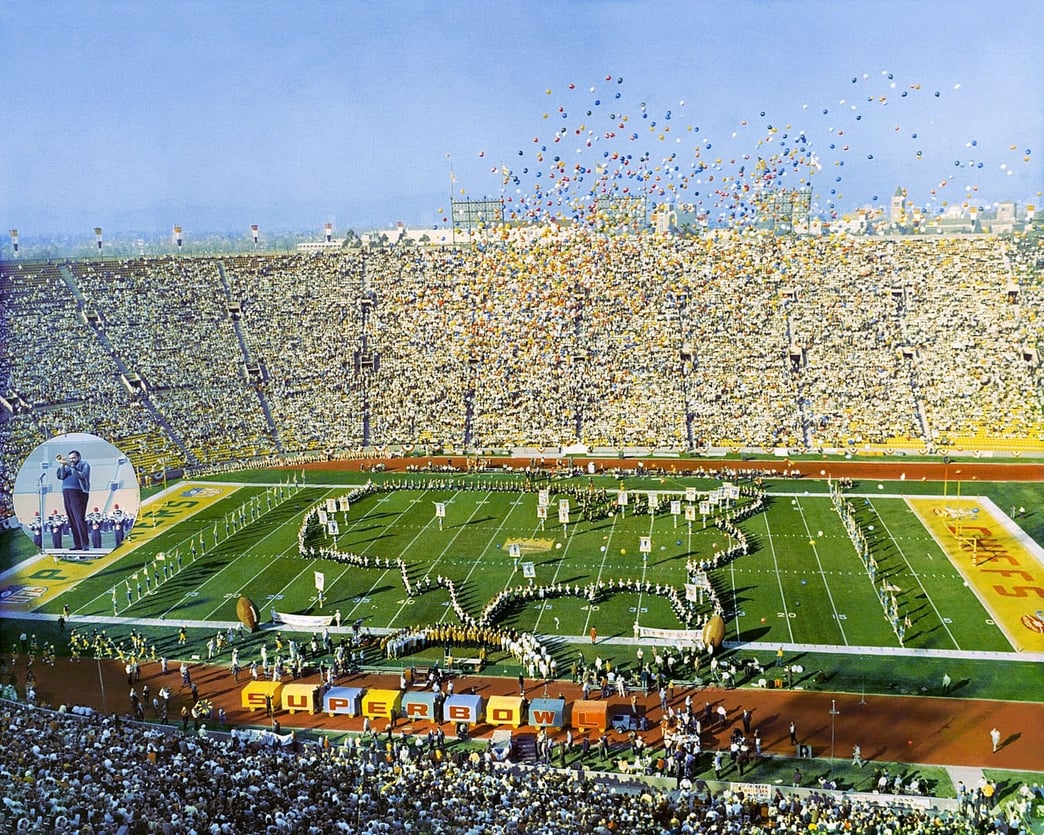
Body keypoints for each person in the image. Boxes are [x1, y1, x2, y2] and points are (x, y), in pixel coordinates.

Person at [55, 450, 91, 551]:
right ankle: (77, 544)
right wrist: (62, 465)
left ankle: (85, 544)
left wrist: (71, 466)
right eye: (70, 458)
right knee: (72, 519)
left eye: (73, 458)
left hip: (79, 492)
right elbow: (61, 477)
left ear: (79, 457)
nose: (71, 459)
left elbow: (82, 475)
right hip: (66, 492)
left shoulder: (84, 464)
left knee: (79, 518)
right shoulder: (66, 466)